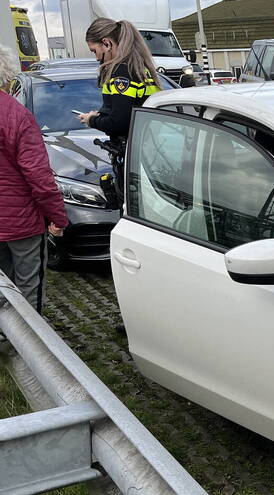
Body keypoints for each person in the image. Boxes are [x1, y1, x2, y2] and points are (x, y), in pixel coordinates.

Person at [0, 47, 68, 313]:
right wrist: (58, 217)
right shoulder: (16, 115)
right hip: (22, 223)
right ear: (7, 76)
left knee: (4, 286)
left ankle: (7, 339)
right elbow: (38, 176)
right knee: (28, 288)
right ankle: (30, 347)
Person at [77, 18, 161, 205]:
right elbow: (130, 110)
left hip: (136, 156)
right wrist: (103, 115)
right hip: (151, 152)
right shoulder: (138, 67)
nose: (97, 58)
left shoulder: (122, 72)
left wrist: (91, 120)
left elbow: (120, 122)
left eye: (94, 51)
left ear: (106, 43)